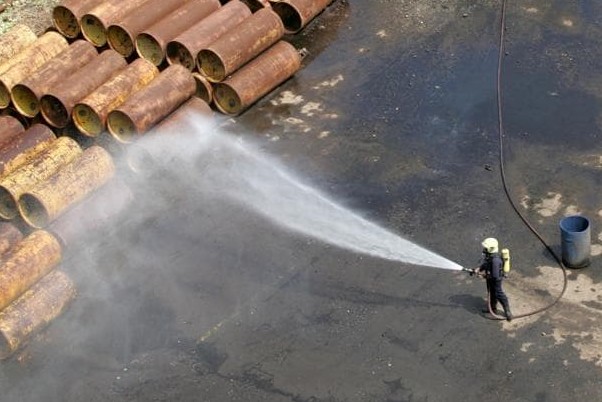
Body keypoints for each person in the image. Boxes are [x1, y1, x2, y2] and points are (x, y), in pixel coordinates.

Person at [477, 237, 512, 321]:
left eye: (486, 248)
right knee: (491, 293)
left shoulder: (495, 260)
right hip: (490, 278)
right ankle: (492, 308)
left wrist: (483, 276)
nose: (484, 249)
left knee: (498, 294)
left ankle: (507, 311)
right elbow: (486, 264)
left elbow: (495, 276)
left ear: (490, 249)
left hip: (496, 280)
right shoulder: (490, 257)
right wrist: (479, 269)